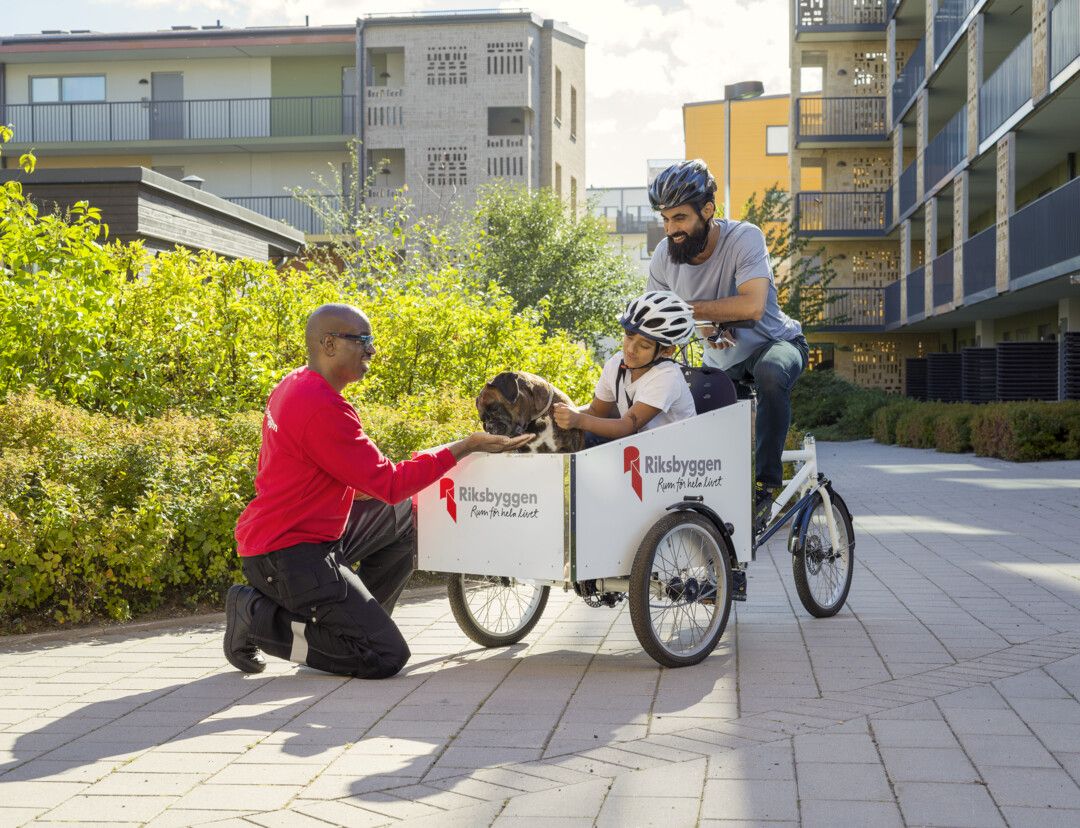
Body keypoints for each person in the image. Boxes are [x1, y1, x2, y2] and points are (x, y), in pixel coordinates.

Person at [224, 303, 531, 679]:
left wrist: (360, 487)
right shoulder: (322, 407)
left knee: (404, 517)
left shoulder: (296, 383)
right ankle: (255, 616)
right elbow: (390, 484)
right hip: (288, 554)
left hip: (293, 536)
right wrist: (465, 446)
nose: (372, 350)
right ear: (329, 343)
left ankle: (351, 624)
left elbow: (323, 472)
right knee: (385, 655)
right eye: (363, 340)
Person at [646, 159, 809, 526]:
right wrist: (703, 327)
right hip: (725, 359)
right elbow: (657, 320)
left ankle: (766, 486)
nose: (672, 229)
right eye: (666, 219)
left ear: (707, 210)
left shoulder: (744, 238)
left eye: (681, 219)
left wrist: (693, 312)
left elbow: (751, 306)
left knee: (769, 373)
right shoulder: (663, 257)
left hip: (776, 343)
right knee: (693, 400)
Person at [553, 290, 697, 442]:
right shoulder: (616, 364)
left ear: (667, 351)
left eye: (644, 346)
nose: (630, 349)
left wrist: (578, 420)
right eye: (629, 336)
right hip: (644, 446)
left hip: (677, 453)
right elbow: (596, 412)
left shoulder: (667, 377)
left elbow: (626, 427)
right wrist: (559, 413)